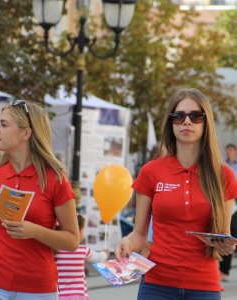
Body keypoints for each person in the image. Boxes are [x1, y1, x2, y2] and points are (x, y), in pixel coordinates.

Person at [115, 87, 237, 300]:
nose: (187, 122)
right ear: (170, 123)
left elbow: (223, 237)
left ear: (206, 122)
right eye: (179, 116)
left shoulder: (223, 175)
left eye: (195, 116)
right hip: (156, 285)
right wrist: (127, 242)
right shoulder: (151, 171)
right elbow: (140, 234)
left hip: (205, 286)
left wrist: (226, 246)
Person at [0, 100, 80, 300]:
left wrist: (34, 231)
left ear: (26, 133)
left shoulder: (55, 179)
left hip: (38, 289)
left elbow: (72, 241)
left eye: (4, 125)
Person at [54, 214, 109, 300]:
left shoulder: (54, 250)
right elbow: (99, 258)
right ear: (76, 232)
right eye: (82, 230)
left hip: (59, 296)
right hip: (78, 296)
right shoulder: (82, 250)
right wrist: (105, 253)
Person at [219, 143, 237, 281]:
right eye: (227, 150)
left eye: (230, 150)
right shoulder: (223, 166)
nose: (228, 152)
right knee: (227, 234)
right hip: (226, 201)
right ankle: (224, 271)